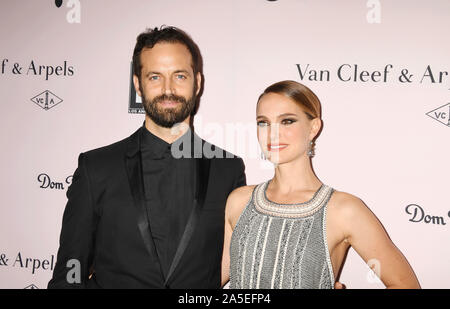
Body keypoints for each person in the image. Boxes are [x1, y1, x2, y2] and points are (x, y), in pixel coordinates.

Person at [48, 26, 246, 288]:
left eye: (179, 76)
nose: (168, 89)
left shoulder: (227, 170)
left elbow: (230, 263)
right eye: (154, 77)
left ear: (197, 83)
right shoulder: (96, 169)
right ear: (137, 84)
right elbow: (69, 275)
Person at [221, 80, 421, 289]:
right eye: (263, 122)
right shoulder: (239, 201)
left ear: (313, 127)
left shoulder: (343, 210)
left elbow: (405, 284)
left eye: (287, 121)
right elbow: (210, 277)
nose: (272, 133)